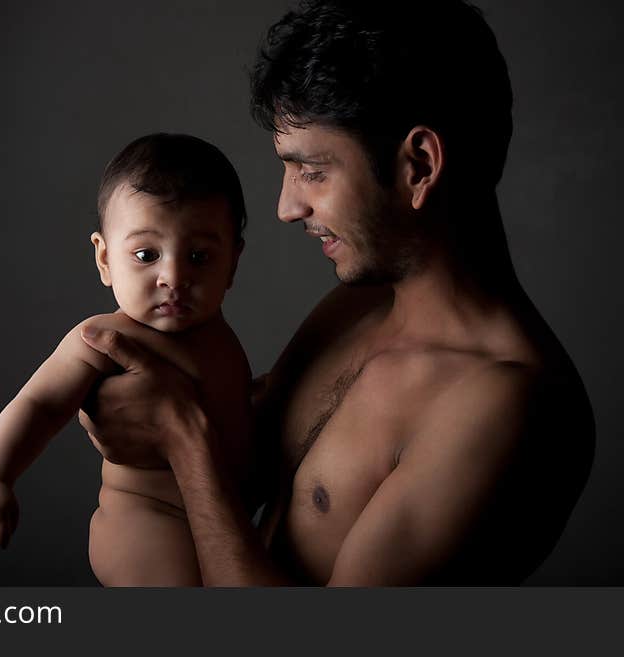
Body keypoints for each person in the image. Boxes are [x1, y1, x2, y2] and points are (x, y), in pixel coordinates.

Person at [77, 0, 595, 585]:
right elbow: (238, 472)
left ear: (418, 166)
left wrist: (184, 439)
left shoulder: (505, 407)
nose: (285, 207)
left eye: (313, 172)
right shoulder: (355, 309)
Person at [0, 133, 254, 586]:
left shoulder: (216, 333)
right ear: (105, 258)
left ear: (232, 261)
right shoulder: (103, 338)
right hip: (146, 523)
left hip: (223, 517)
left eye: (198, 256)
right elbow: (39, 404)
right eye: (145, 255)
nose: (173, 277)